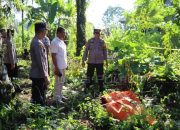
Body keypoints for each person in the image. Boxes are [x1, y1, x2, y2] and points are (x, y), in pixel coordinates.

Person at [29, 22, 49, 105]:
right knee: (39, 97)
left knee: (38, 95)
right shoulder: (37, 43)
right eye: (45, 30)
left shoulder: (37, 41)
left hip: (38, 74)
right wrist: (45, 76)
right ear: (41, 30)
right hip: (38, 75)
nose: (46, 32)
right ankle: (38, 116)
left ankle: (37, 114)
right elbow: (41, 62)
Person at [50, 27, 67, 104]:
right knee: (58, 82)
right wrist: (56, 67)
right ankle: (57, 98)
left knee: (61, 81)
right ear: (59, 33)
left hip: (62, 65)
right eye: (63, 32)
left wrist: (66, 64)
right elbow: (53, 55)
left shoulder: (61, 42)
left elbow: (63, 55)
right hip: (58, 66)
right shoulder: (54, 42)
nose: (64, 34)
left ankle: (60, 95)